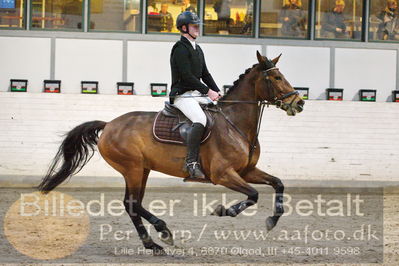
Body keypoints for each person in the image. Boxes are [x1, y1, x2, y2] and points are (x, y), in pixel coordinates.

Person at [169, 11, 221, 180]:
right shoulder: (179, 49)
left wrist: (217, 91)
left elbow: (205, 74)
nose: (198, 29)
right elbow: (187, 77)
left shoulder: (197, 49)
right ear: (184, 28)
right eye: (194, 26)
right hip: (182, 96)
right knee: (201, 119)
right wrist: (208, 92)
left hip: (195, 94)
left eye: (198, 26)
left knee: (219, 113)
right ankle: (191, 163)